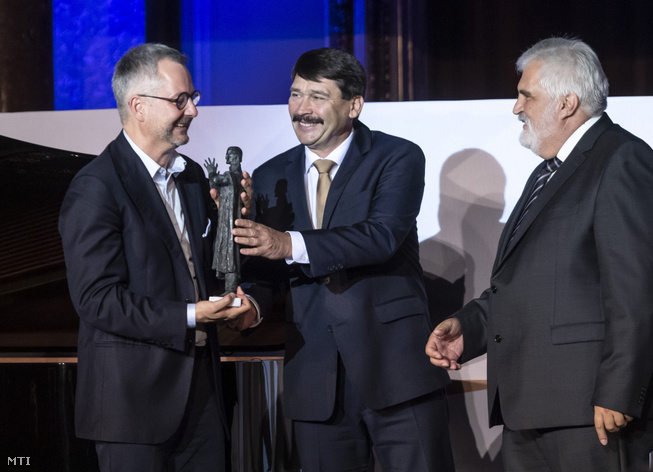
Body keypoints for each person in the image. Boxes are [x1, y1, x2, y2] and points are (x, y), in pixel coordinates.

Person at [426, 37, 653, 471]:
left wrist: (619, 392)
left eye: (526, 95)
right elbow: (530, 285)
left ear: (567, 103)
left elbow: (639, 294)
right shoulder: (546, 173)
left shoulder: (622, 161)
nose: (516, 107)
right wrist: (469, 329)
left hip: (593, 412)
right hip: (532, 409)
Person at [231, 47, 455, 471]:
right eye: (295, 94)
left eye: (317, 96)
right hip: (315, 378)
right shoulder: (269, 175)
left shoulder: (398, 156)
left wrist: (289, 244)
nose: (302, 109)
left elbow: (381, 236)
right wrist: (251, 305)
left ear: (354, 105)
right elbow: (265, 269)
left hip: (396, 372)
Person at [58, 43, 257, 472]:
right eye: (180, 100)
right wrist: (192, 314)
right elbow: (97, 301)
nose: (193, 110)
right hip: (131, 408)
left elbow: (202, 268)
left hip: (203, 398)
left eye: (193, 97)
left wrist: (234, 220)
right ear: (138, 106)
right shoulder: (96, 187)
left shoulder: (192, 176)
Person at [205, 146, 244, 294]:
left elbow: (216, 179)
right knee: (226, 251)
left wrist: (211, 172)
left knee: (229, 252)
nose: (227, 158)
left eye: (229, 155)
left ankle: (231, 289)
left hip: (229, 218)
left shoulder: (231, 176)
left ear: (236, 157)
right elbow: (214, 187)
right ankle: (229, 288)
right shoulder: (238, 177)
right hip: (226, 217)